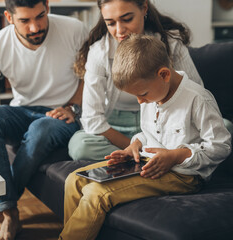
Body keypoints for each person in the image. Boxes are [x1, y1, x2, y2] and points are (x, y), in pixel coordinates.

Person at [59, 34, 232, 240]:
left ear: (164, 74)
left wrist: (176, 155)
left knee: (97, 194)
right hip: (146, 162)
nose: (140, 102)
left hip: (183, 175)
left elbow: (221, 146)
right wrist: (135, 145)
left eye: (142, 94)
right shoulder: (153, 94)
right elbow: (149, 133)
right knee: (75, 179)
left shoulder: (198, 99)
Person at [0, 0, 88, 239]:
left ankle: (5, 208)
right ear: (9, 18)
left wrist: (73, 107)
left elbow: (92, 77)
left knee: (41, 128)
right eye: (25, 20)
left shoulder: (75, 29)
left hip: (61, 115)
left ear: (48, 7)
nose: (35, 27)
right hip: (22, 111)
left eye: (40, 16)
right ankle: (9, 208)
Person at [68, 0, 204, 161]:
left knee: (224, 128)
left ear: (144, 8)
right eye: (110, 23)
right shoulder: (99, 53)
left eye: (127, 19)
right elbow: (92, 120)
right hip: (116, 127)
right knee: (80, 146)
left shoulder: (171, 44)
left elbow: (196, 96)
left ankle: (155, 159)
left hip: (165, 123)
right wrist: (134, 148)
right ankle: (148, 159)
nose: (119, 31)